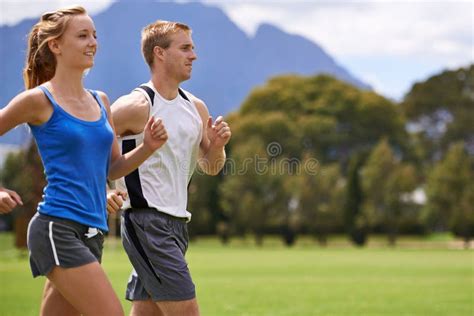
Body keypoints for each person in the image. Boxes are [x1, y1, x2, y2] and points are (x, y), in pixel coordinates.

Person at [0, 6, 168, 316]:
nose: (92, 42)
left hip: (92, 231)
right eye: (82, 36)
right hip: (56, 228)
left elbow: (111, 169)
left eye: (94, 35)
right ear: (56, 45)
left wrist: (148, 148)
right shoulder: (38, 100)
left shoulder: (100, 100)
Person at [107, 20, 231, 316]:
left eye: (193, 48)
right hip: (146, 223)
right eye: (185, 48)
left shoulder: (196, 107)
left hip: (176, 225)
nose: (194, 55)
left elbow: (211, 167)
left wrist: (216, 147)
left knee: (149, 311)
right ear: (160, 53)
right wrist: (104, 190)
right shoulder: (137, 105)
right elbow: (87, 143)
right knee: (186, 310)